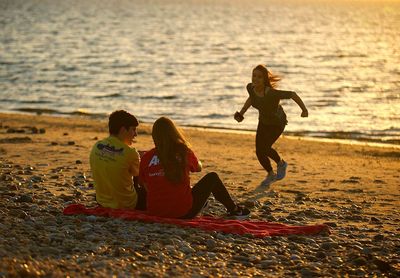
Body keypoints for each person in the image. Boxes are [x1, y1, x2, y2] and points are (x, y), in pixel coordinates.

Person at [139, 117, 250, 219]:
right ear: (173, 133)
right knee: (212, 178)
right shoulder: (183, 151)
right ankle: (234, 210)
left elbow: (146, 186)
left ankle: (189, 203)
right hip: (183, 212)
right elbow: (197, 168)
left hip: (155, 211)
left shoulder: (146, 157)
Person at [234, 64, 308, 186]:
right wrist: (242, 113)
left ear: (264, 79)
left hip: (277, 123)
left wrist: (304, 110)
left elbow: (293, 94)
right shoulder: (250, 88)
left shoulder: (272, 93)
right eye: (254, 76)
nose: (255, 79)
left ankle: (281, 163)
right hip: (263, 121)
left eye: (259, 77)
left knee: (265, 148)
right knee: (259, 151)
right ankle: (270, 174)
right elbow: (251, 99)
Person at [90, 110, 146, 210]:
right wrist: (142, 158)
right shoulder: (130, 153)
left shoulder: (97, 146)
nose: (135, 134)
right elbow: (141, 178)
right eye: (133, 129)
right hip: (126, 204)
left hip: (102, 201)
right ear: (123, 129)